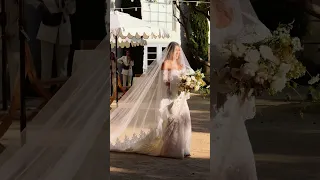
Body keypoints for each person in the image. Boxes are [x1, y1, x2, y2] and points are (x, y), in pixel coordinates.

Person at [110, 42, 194, 159]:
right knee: (172, 120)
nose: (178, 53)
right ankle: (170, 149)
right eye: (176, 51)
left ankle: (183, 148)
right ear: (170, 52)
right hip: (169, 97)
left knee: (184, 120)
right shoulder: (166, 64)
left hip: (180, 97)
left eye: (179, 51)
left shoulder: (181, 65)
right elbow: (164, 81)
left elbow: (188, 77)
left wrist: (188, 85)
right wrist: (178, 83)